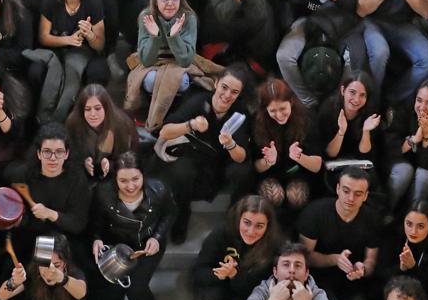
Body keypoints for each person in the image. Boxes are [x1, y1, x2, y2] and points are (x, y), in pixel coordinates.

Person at [156, 67, 255, 240]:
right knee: (181, 170)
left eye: (234, 92)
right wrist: (191, 124)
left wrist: (231, 144)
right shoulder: (198, 101)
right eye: (224, 87)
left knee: (243, 171)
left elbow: (242, 156)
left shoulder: (240, 112)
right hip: (197, 157)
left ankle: (233, 217)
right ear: (216, 83)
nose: (227, 95)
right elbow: (164, 132)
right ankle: (182, 214)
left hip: (222, 163)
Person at [87, 151, 176, 300]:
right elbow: (96, 221)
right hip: (115, 245)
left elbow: (170, 213)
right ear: (115, 179)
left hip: (146, 245)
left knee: (136, 288)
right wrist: (96, 238)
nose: (130, 186)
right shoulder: (103, 192)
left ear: (143, 175)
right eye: (123, 181)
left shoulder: (159, 190)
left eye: (135, 179)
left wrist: (157, 237)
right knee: (110, 287)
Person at [125, 0, 213, 131]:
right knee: (151, 80)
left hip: (178, 62)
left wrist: (174, 37)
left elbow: (185, 60)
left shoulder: (189, 17)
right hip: (154, 62)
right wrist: (155, 36)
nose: (170, 3)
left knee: (180, 80)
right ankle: (154, 117)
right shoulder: (146, 16)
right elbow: (146, 60)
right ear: (155, 0)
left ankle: (172, 117)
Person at [298, 166, 383, 300]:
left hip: (352, 280)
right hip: (318, 277)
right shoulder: (315, 213)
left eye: (358, 194)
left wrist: (362, 269)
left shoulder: (372, 218)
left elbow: (371, 260)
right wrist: (335, 259)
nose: (351, 198)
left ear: (365, 196)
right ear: (337, 189)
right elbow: (304, 258)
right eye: (346, 191)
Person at [36, 0, 110, 123]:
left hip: (80, 51)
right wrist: (68, 40)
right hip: (55, 49)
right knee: (52, 80)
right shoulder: (50, 2)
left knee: (72, 78)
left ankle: (57, 120)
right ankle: (41, 119)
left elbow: (100, 45)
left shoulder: (94, 4)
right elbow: (43, 37)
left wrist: (90, 34)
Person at [193, 196, 284, 300]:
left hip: (250, 291)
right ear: (239, 218)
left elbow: (263, 288)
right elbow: (200, 270)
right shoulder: (221, 234)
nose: (251, 231)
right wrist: (220, 274)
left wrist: (234, 275)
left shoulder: (274, 246)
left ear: (267, 225)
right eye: (247, 222)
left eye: (259, 226)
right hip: (219, 284)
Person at [6, 123, 93, 259]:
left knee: (52, 269)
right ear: (39, 154)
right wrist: (19, 219)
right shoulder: (22, 174)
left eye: (59, 152)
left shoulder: (77, 179)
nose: (53, 158)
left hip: (63, 239)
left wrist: (50, 214)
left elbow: (78, 223)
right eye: (47, 152)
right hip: (29, 237)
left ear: (66, 154)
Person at [231, 241, 341, 300]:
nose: (291, 270)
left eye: (298, 265)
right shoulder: (262, 292)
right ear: (275, 272)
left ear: (306, 273)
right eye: (286, 264)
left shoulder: (317, 295)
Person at [0, 233, 88, 300]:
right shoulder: (34, 274)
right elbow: (1, 296)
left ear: (65, 263)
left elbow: (81, 292)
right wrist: (14, 281)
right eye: (43, 264)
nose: (47, 271)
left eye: (56, 265)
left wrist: (61, 278)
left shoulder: (74, 272)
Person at [251, 78, 321, 212]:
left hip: (298, 173)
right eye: (272, 111)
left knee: (296, 196)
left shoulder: (307, 118)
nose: (279, 115)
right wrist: (268, 161)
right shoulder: (257, 122)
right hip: (270, 174)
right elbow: (256, 167)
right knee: (273, 196)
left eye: (283, 108)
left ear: (291, 102)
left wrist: (299, 157)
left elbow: (317, 165)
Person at [385, 79, 428, 207]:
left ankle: (414, 214)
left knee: (425, 176)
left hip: (427, 166)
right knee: (404, 172)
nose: (422, 107)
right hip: (404, 160)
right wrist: (415, 139)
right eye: (419, 100)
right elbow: (391, 147)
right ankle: (386, 210)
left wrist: (427, 135)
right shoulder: (406, 109)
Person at [377, 203, 428, 295]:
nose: (413, 231)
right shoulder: (393, 233)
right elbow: (380, 273)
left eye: (420, 226)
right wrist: (401, 269)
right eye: (409, 224)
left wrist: (413, 267)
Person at [64, 84, 135, 182]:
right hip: (83, 176)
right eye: (87, 109)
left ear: (106, 108)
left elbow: (131, 159)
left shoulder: (122, 125)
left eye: (97, 108)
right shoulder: (73, 123)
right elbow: (68, 154)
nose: (93, 114)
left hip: (115, 176)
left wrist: (111, 165)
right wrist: (83, 162)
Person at [316, 73, 383, 163]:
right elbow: (330, 154)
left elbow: (364, 155)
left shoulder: (370, 112)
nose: (356, 99)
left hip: (359, 163)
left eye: (362, 95)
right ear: (343, 90)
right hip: (333, 163)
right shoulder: (328, 109)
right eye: (352, 92)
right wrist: (341, 132)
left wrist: (366, 131)